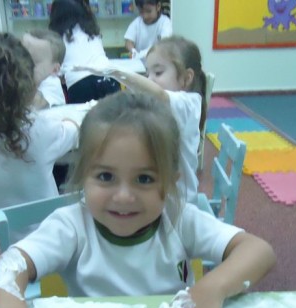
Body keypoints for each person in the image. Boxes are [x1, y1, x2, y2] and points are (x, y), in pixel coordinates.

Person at [0, 91, 276, 308]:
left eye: (145, 179)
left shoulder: (179, 220)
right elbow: (5, 269)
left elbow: (258, 251)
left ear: (170, 182)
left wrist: (211, 289)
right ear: (83, 176)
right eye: (106, 176)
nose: (123, 196)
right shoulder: (72, 226)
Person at [0, 30, 79, 231]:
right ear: (30, 86)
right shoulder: (44, 131)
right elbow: (75, 130)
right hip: (47, 241)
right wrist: (67, 121)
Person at [77, 35, 205, 203]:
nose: (149, 79)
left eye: (158, 73)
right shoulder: (159, 106)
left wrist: (117, 72)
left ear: (186, 78)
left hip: (180, 201)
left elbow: (159, 94)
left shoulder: (190, 103)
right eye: (147, 73)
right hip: (158, 194)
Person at [49, 0, 120, 104]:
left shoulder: (57, 38)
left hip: (80, 84)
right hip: (109, 77)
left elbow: (57, 71)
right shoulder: (92, 32)